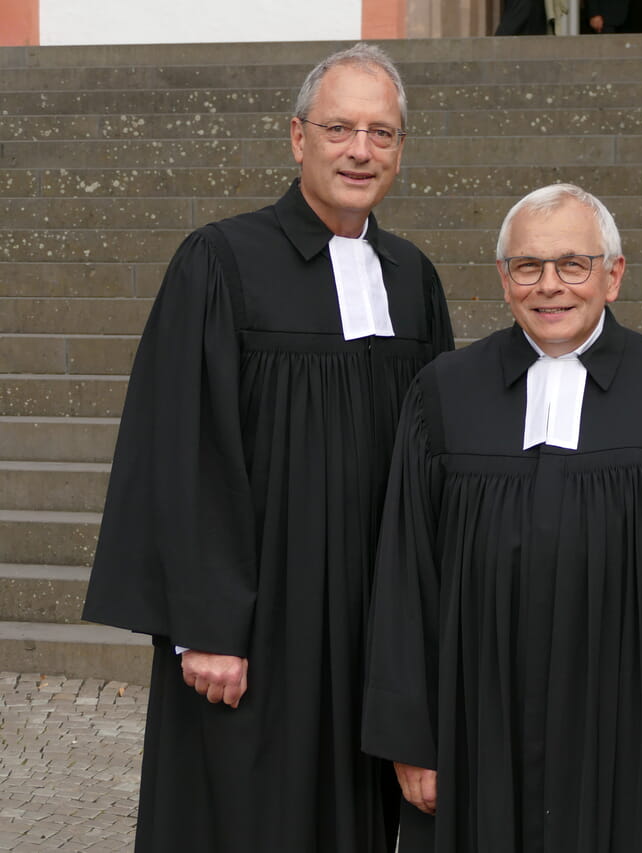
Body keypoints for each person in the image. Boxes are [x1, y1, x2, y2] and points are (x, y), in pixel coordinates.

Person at [81, 43, 453, 853]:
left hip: (369, 621)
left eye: (382, 133)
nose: (361, 149)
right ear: (297, 137)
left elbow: (438, 457)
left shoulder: (412, 277)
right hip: (258, 623)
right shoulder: (221, 262)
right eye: (341, 127)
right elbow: (183, 447)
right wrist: (207, 624)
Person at [362, 183, 642, 853]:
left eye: (573, 264)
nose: (550, 286)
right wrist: (411, 732)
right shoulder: (444, 393)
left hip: (624, 729)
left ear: (613, 275)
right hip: (473, 724)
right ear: (503, 277)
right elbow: (407, 571)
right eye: (529, 266)